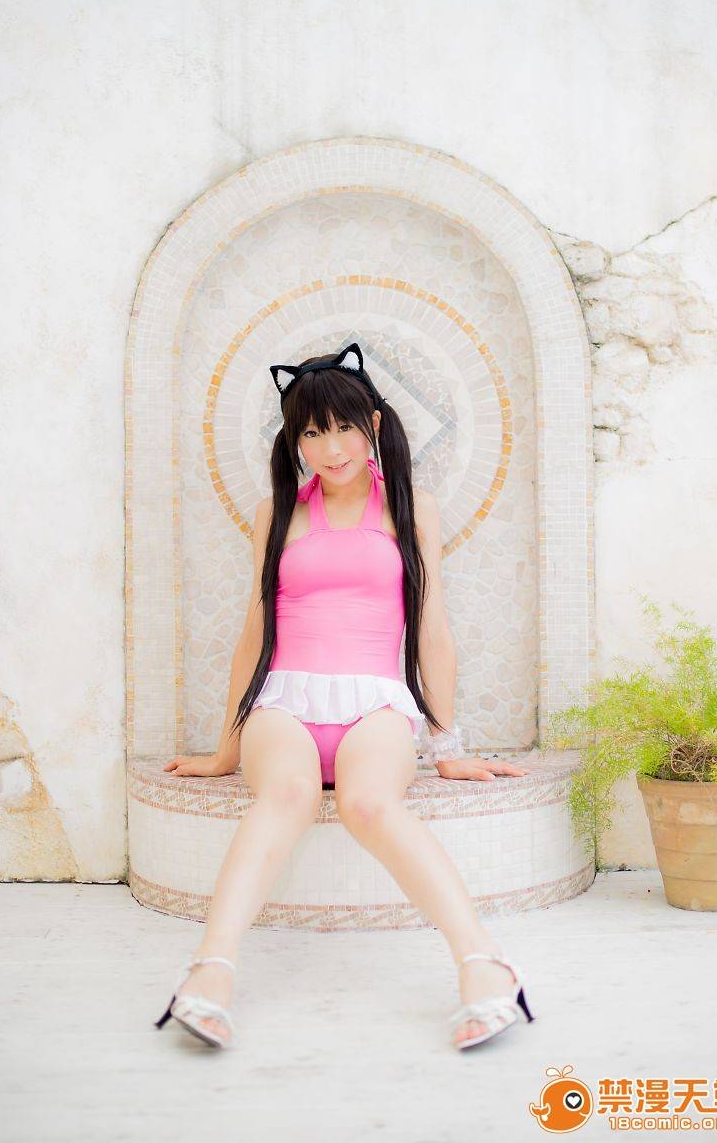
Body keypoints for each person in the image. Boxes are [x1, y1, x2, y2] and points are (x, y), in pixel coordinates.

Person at [154, 341, 536, 1052]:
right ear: (294, 442)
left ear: (373, 426)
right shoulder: (277, 514)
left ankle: (485, 966)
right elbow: (252, 632)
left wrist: (447, 747)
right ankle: (210, 973)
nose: (329, 449)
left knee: (368, 804)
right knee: (287, 794)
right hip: (284, 703)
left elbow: (432, 629)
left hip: (375, 705)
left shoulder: (412, 509)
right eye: (311, 432)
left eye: (342, 428)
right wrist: (223, 750)